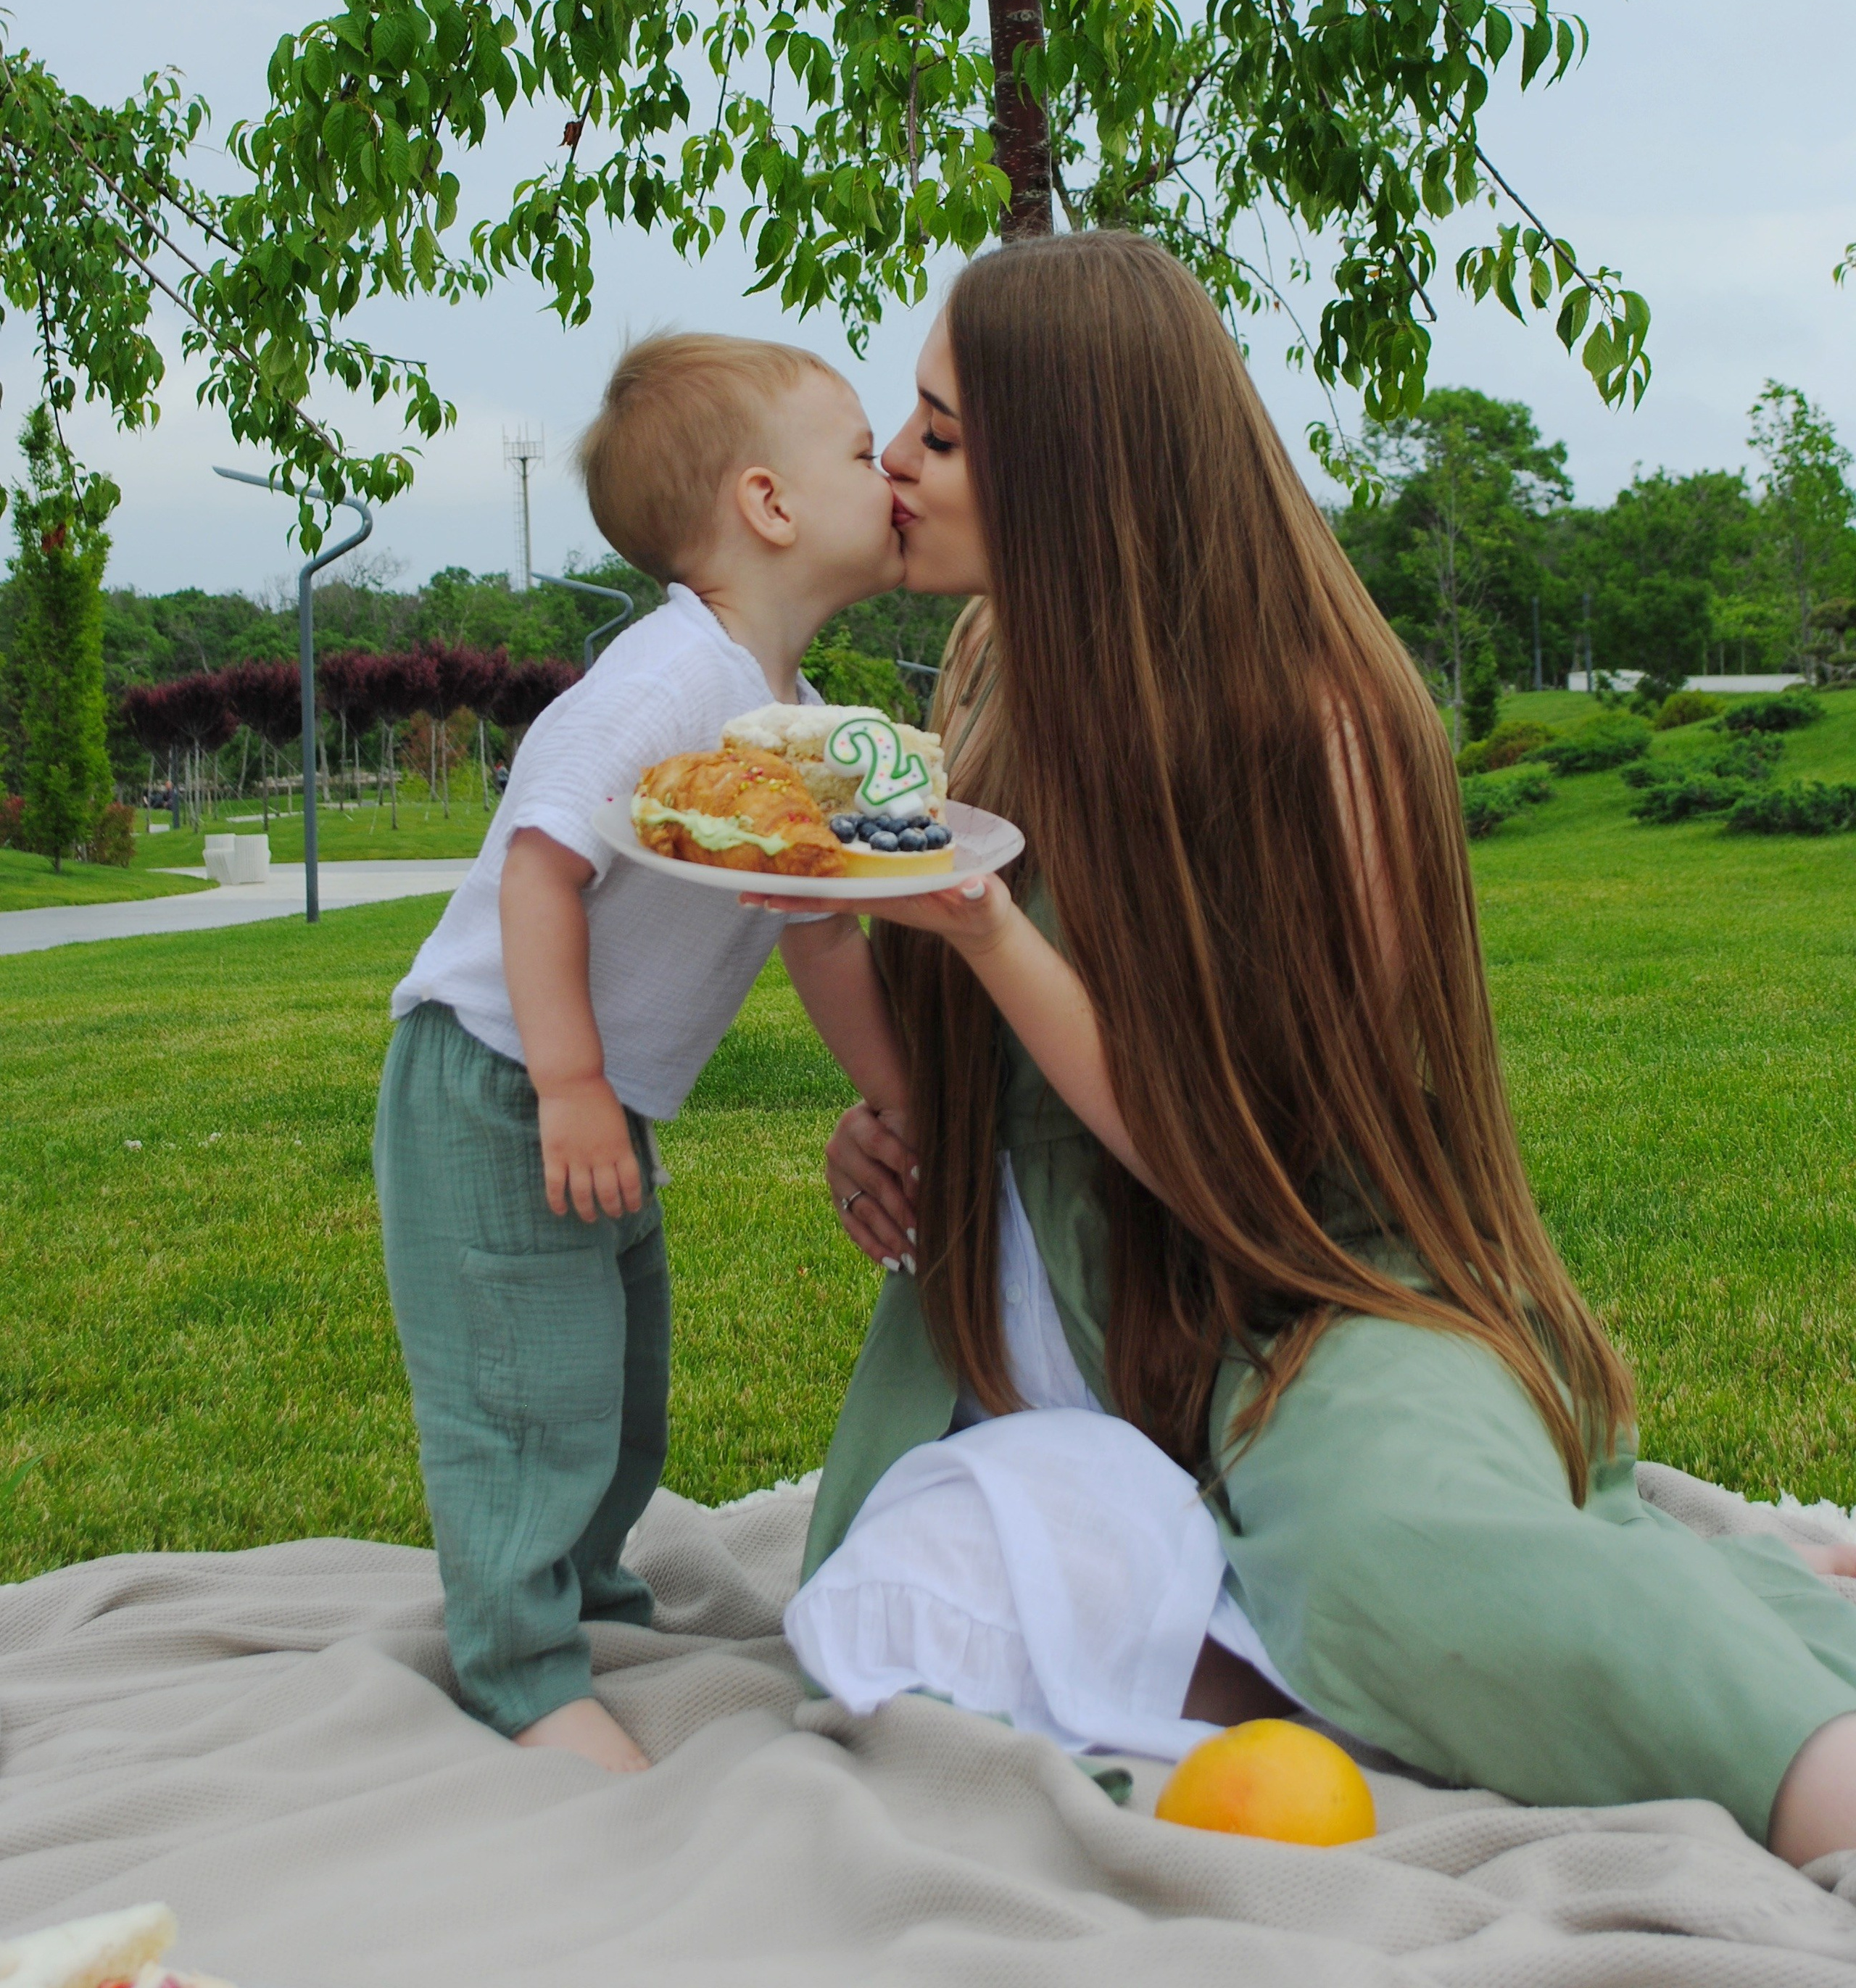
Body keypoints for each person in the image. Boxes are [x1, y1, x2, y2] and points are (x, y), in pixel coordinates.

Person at [772, 232, 1856, 1864]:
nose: (900, 462)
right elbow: (977, 1054)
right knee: (889, 1611)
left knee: (1383, 1559)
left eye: (940, 431)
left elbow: (1247, 1158)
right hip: (1069, 1332)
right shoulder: (992, 673)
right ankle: (1647, 1588)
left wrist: (989, 932)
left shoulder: (1326, 730)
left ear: (1072, 467)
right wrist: (897, 1124)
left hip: (1313, 1295)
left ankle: (1806, 1762)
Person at [376, 331, 910, 1774]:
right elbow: (539, 867)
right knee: (523, 1389)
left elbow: (817, 936)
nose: (895, 471)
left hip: (583, 1098)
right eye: (864, 451)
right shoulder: (664, 680)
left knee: (618, 1387)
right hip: (498, 1083)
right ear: (769, 504)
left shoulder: (781, 718)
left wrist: (899, 1096)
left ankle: (589, 1594)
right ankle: (518, 1660)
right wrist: (564, 1086)